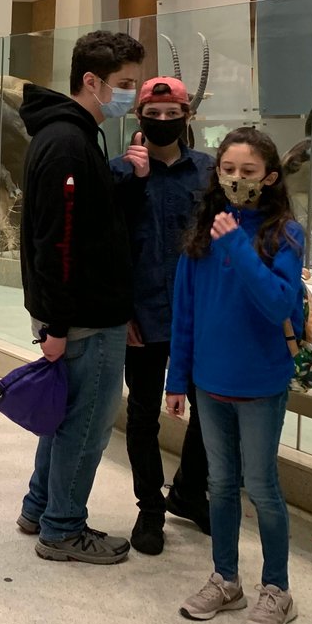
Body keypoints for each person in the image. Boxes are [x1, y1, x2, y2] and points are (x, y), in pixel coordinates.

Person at [168, 127, 305, 624]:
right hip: (210, 384)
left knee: (262, 487)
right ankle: (226, 579)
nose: (236, 179)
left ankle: (277, 589)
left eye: (248, 171)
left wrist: (239, 247)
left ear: (269, 177)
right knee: (220, 485)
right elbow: (185, 312)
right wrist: (177, 379)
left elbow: (278, 303)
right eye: (228, 170)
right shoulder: (202, 233)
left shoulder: (285, 235)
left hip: (261, 384)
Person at [16, 28, 144, 565]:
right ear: (91, 81)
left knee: (62, 417)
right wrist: (58, 326)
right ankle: (63, 529)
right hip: (85, 317)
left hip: (76, 314)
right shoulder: (69, 143)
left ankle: (40, 507)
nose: (130, 94)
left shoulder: (69, 136)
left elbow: (79, 219)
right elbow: (59, 242)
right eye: (124, 83)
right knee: (87, 425)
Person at [109, 78, 214, 556]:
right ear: (140, 117)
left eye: (173, 114)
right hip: (144, 314)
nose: (164, 121)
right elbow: (109, 246)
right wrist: (123, 310)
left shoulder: (210, 174)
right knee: (142, 414)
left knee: (208, 411)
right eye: (155, 113)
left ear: (187, 116)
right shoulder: (119, 174)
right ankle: (149, 507)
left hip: (199, 317)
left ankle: (189, 491)